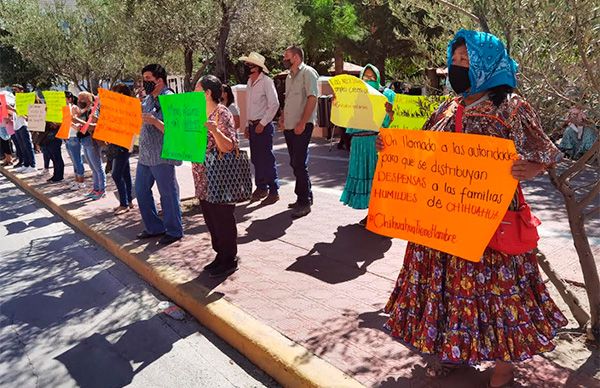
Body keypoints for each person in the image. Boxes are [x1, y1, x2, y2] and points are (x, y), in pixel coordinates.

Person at [379, 30, 567, 388]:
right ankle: (454, 349)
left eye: (465, 61)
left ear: (486, 63)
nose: (456, 67)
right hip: (444, 219)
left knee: (496, 291)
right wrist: (392, 150)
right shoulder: (447, 107)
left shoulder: (512, 107)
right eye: (455, 60)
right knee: (448, 287)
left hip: (492, 222)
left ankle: (504, 366)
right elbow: (421, 152)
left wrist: (532, 168)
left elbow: (544, 152)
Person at [191, 75, 240, 277]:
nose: (193, 92)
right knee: (211, 218)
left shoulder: (222, 113)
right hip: (202, 177)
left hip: (220, 177)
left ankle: (229, 259)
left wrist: (214, 131)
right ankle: (220, 255)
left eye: (197, 89)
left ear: (207, 93)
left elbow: (229, 146)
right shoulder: (197, 113)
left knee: (223, 218)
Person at [340, 64, 395, 225]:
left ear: (378, 79)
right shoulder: (355, 96)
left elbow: (388, 122)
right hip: (358, 143)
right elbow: (346, 118)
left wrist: (390, 113)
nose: (369, 80)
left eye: (372, 77)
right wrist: (339, 105)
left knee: (377, 180)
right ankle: (372, 214)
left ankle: (381, 215)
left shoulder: (387, 95)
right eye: (366, 77)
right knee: (365, 177)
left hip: (375, 142)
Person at [135, 63, 183, 245]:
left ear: (159, 80)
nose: (144, 82)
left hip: (162, 155)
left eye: (148, 79)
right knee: (140, 190)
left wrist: (155, 122)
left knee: (168, 193)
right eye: (144, 79)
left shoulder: (169, 98)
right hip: (145, 155)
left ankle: (174, 230)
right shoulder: (147, 100)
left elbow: (175, 130)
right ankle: (154, 227)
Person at [279, 45, 319, 218]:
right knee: (295, 163)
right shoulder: (289, 77)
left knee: (299, 163)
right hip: (290, 126)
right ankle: (306, 195)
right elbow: (288, 100)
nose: (284, 59)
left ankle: (304, 202)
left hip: (302, 126)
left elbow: (312, 98)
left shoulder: (308, 73)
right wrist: (282, 118)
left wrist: (303, 122)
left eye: (286, 56)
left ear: (295, 57)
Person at [240, 51, 280, 204]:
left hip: (262, 127)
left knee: (267, 159)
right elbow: (248, 107)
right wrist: (246, 125)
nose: (246, 67)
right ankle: (261, 187)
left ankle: (274, 189)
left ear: (257, 67)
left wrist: (263, 123)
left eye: (249, 65)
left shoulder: (266, 82)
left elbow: (274, 104)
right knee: (256, 159)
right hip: (253, 126)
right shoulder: (250, 83)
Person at [107, 83, 135, 214]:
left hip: (123, 144)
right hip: (118, 143)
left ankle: (124, 203)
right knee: (125, 173)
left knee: (116, 174)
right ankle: (128, 201)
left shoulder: (128, 108)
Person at [73, 92, 105, 200]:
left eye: (81, 99)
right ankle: (96, 189)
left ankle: (101, 190)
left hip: (91, 141)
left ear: (88, 100)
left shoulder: (93, 110)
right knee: (93, 168)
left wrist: (78, 121)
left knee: (97, 167)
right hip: (84, 141)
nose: (79, 101)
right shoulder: (82, 111)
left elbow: (94, 126)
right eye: (78, 99)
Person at [9, 84, 37, 174]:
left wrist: (12, 110)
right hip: (17, 126)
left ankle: (32, 165)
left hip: (23, 126)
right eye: (13, 90)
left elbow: (25, 113)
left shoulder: (25, 100)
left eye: (16, 90)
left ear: (21, 90)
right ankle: (26, 164)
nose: (14, 92)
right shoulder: (16, 100)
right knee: (22, 147)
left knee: (27, 146)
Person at [63, 91, 86, 189]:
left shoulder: (74, 108)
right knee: (73, 160)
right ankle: (77, 180)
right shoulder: (64, 108)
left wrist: (71, 122)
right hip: (67, 136)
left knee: (77, 159)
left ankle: (81, 181)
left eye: (64, 98)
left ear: (70, 98)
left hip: (73, 136)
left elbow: (78, 119)